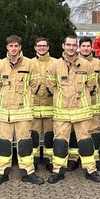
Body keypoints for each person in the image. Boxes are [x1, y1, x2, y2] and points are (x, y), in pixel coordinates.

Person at [44, 35, 100, 184]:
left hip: (82, 111)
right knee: (60, 142)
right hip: (62, 112)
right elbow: (50, 85)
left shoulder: (86, 65)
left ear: (76, 47)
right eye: (68, 45)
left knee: (85, 142)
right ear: (63, 46)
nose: (70, 47)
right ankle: (58, 171)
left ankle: (90, 170)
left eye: (73, 45)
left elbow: (92, 85)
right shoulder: (55, 66)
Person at [0, 35, 44, 186]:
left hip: (23, 112)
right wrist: (7, 97)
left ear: (20, 47)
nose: (13, 48)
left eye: (16, 46)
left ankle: (28, 173)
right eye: (11, 46)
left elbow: (35, 84)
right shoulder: (0, 65)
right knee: (3, 143)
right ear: (6, 47)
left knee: (25, 143)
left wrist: (25, 97)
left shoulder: (29, 64)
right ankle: (2, 173)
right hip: (5, 112)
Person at [78, 36, 100, 171]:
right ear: (79, 48)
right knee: (76, 131)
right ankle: (74, 159)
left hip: (94, 103)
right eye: (83, 46)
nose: (86, 48)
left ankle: (95, 159)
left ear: (92, 48)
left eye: (88, 46)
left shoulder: (98, 64)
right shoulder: (74, 62)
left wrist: (93, 94)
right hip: (77, 104)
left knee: (94, 131)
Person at [31, 37, 57, 170]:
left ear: (48, 47)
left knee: (49, 135)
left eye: (44, 46)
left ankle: (49, 160)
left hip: (50, 105)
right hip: (33, 106)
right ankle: (33, 160)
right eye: (39, 46)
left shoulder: (56, 63)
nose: (42, 48)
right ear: (35, 48)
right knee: (33, 136)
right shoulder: (28, 64)